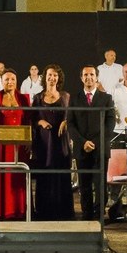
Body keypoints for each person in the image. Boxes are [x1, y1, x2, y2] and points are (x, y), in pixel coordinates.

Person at [67, 65, 115, 220]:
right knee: (84, 185)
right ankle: (86, 216)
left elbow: (110, 125)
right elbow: (71, 124)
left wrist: (93, 142)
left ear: (97, 77)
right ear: (81, 78)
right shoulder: (74, 99)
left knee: (100, 185)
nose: (89, 77)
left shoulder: (106, 98)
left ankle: (99, 215)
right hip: (82, 150)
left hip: (100, 149)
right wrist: (83, 143)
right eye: (86, 75)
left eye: (92, 74)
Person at [0, 68, 31, 220]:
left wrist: (29, 142)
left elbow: (29, 121)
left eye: (12, 79)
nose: (10, 82)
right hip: (2, 147)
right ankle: (3, 211)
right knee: (3, 178)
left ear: (16, 81)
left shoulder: (24, 99)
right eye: (6, 79)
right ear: (1, 81)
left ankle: (21, 211)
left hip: (20, 146)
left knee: (19, 177)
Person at [31, 64, 74, 221]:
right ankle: (44, 212)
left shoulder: (65, 96)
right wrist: (40, 122)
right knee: (45, 175)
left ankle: (63, 212)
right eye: (49, 75)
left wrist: (66, 121)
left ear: (59, 78)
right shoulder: (37, 98)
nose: (52, 78)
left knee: (62, 174)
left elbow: (71, 115)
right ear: (45, 77)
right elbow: (32, 118)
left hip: (61, 140)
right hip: (44, 142)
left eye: (55, 75)